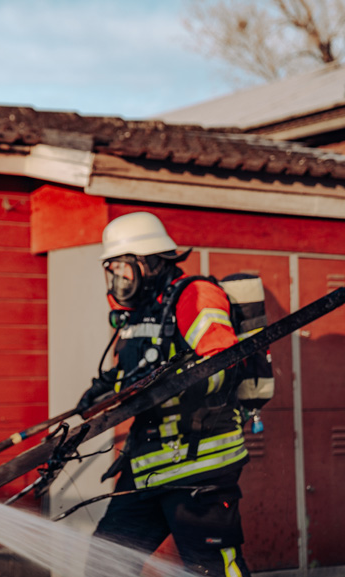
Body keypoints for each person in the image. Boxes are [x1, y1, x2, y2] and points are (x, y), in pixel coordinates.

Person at [77, 212, 251, 577]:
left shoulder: (195, 296)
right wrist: (105, 389)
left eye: (124, 268)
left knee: (212, 570)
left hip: (198, 466)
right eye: (112, 270)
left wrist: (168, 384)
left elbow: (226, 367)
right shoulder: (140, 311)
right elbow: (135, 372)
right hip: (148, 466)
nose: (118, 280)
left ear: (150, 262)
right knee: (105, 563)